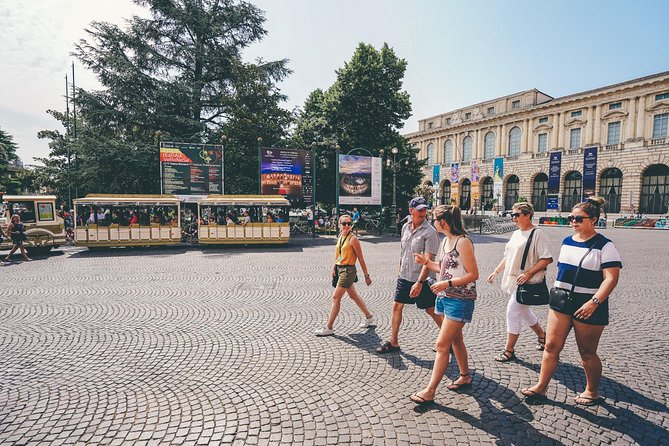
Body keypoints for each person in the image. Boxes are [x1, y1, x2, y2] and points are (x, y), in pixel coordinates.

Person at [521, 197, 622, 406]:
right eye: (571, 218)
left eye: (578, 218)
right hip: (561, 300)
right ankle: (541, 387)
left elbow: (611, 278)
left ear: (593, 220)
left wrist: (594, 302)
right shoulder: (567, 241)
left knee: (587, 352)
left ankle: (592, 391)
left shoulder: (605, 245)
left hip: (589, 303)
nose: (573, 222)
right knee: (550, 345)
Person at [410, 205, 479, 405]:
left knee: (442, 345)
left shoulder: (463, 242)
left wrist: (446, 283)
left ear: (444, 222)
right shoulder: (445, 241)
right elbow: (442, 268)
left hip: (461, 299)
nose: (432, 222)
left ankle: (430, 391)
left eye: (435, 219)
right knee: (456, 340)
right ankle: (465, 376)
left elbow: (473, 274)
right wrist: (425, 262)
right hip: (445, 297)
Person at [487, 202, 553, 362]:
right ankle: (543, 336)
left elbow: (547, 258)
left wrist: (529, 273)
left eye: (517, 215)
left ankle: (509, 350)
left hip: (527, 282)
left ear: (528, 215)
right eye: (512, 215)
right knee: (523, 311)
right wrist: (496, 272)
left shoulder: (537, 233)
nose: (514, 218)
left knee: (512, 311)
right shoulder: (516, 233)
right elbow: (507, 256)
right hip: (514, 281)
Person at [376, 197, 441, 354]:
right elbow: (404, 251)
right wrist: (400, 267)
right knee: (397, 306)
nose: (423, 213)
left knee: (431, 310)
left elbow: (429, 260)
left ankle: (450, 339)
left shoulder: (430, 232)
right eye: (419, 210)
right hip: (404, 276)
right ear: (411, 211)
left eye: (425, 210)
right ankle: (394, 342)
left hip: (422, 279)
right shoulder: (405, 227)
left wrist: (419, 283)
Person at [315, 214, 374, 336]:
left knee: (336, 298)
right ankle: (369, 317)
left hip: (348, 271)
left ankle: (329, 327)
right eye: (344, 223)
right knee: (354, 296)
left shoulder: (353, 239)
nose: (347, 226)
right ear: (339, 225)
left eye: (349, 223)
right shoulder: (341, 236)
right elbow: (339, 254)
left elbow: (361, 259)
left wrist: (367, 276)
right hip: (340, 269)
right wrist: (334, 267)